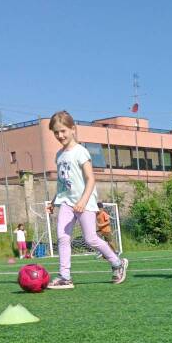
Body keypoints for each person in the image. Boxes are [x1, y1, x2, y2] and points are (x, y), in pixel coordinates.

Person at [44, 111, 128, 289]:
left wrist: (82, 201)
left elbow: (91, 179)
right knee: (62, 237)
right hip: (66, 202)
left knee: (91, 239)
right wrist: (53, 202)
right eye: (56, 132)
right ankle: (65, 276)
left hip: (85, 203)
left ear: (73, 129)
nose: (60, 136)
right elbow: (62, 183)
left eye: (63, 131)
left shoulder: (81, 152)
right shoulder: (59, 155)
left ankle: (117, 263)